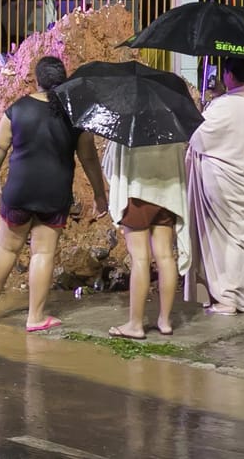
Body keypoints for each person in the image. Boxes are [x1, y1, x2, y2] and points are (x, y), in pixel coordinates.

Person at [0, 56, 107, 332]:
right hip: (54, 193)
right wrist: (99, 194)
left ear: (37, 80)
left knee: (6, 247)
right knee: (43, 253)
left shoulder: (18, 108)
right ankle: (35, 317)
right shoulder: (75, 115)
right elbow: (89, 159)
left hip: (19, 190)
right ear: (64, 80)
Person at [184, 57, 244, 314]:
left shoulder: (225, 106)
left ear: (230, 75)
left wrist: (206, 109)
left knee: (224, 239)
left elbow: (199, 136)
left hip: (224, 182)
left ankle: (228, 298)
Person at [103, 131, 189, 341]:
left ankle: (135, 324)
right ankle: (165, 321)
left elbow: (110, 161)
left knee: (140, 258)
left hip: (138, 194)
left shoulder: (129, 123)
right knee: (166, 256)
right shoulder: (172, 126)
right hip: (168, 197)